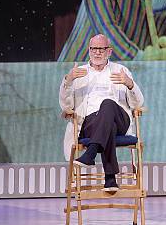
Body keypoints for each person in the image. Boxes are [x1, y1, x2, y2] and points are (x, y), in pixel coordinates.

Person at [59, 34, 144, 191]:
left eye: (101, 49)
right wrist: (68, 81)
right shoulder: (79, 73)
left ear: (109, 51)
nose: (97, 53)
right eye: (93, 49)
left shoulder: (121, 71)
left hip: (120, 121)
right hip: (89, 124)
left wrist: (130, 84)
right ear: (89, 50)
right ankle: (110, 179)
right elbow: (66, 106)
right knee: (107, 126)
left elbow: (138, 103)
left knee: (108, 104)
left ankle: (91, 153)